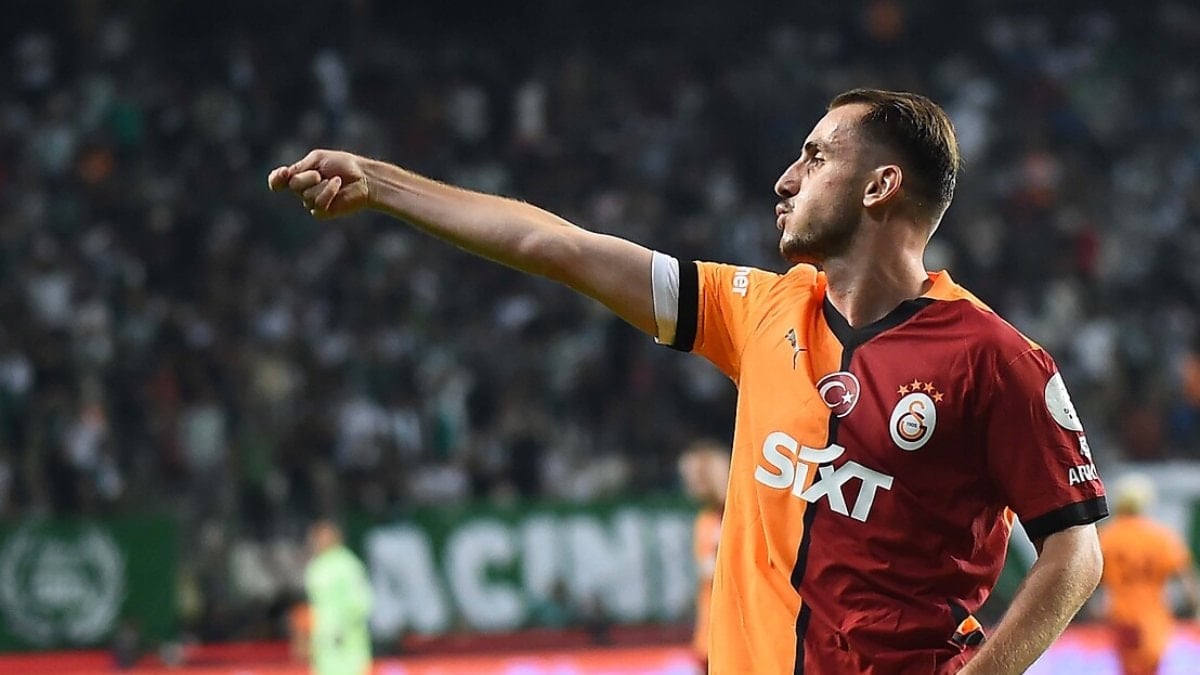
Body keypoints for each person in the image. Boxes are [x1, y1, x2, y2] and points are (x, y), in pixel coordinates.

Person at [269, 87, 1107, 674]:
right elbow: (556, 245)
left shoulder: (993, 358)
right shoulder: (759, 309)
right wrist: (383, 185)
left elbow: (1075, 550)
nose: (785, 179)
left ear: (881, 186)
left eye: (816, 157)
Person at [1098, 473, 1199, 675]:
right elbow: (1185, 576)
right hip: (1152, 614)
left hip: (1120, 614)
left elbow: (1090, 576)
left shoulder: (1107, 536)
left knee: (1128, 669)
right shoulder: (1161, 536)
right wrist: (1195, 606)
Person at [678, 440, 730, 671]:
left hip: (733, 638)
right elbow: (707, 570)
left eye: (695, 476)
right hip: (710, 636)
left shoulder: (739, 517)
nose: (690, 484)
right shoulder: (706, 520)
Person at [303, 520, 373, 675]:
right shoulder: (317, 565)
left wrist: (342, 627)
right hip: (324, 640)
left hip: (347, 640)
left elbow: (361, 602)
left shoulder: (347, 564)